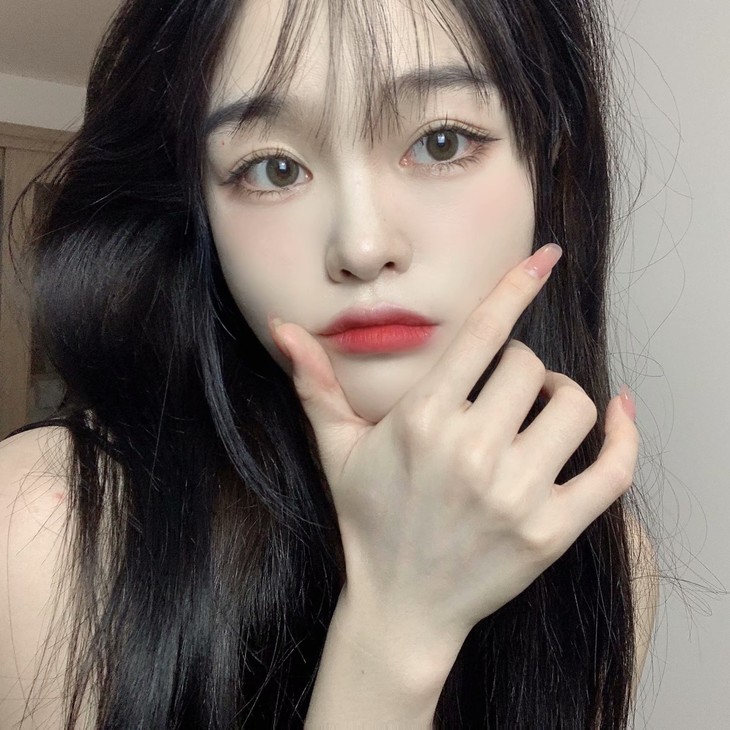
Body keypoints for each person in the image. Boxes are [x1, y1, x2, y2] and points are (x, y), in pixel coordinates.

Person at [0, 0, 659, 726]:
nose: (362, 246)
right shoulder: (45, 529)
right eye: (273, 167)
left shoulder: (601, 556)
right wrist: (398, 629)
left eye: (440, 142)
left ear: (550, 157)